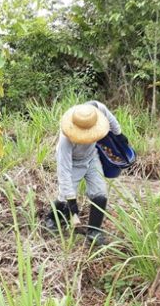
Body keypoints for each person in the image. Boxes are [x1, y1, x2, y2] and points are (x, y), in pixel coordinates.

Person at [45, 100, 128, 246]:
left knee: (100, 193)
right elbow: (63, 172)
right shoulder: (66, 139)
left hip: (91, 157)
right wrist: (72, 202)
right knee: (64, 197)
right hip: (73, 161)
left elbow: (112, 121)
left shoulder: (98, 110)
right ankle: (51, 218)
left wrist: (120, 136)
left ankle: (94, 231)